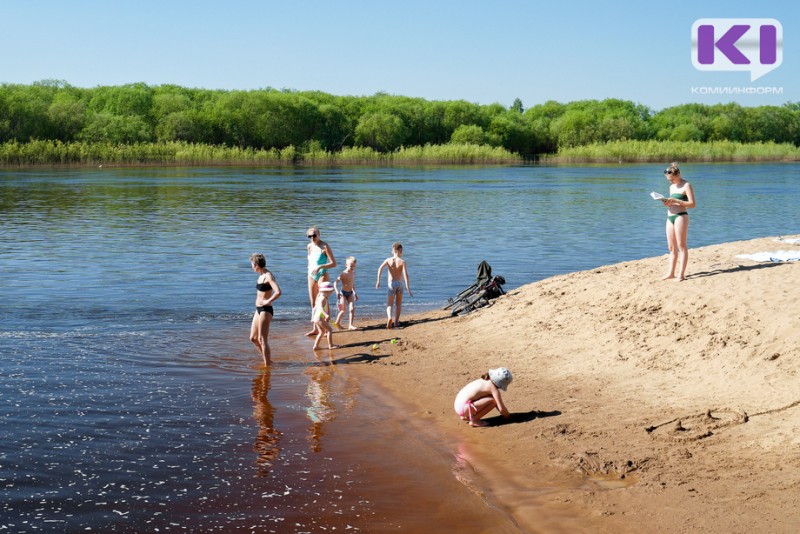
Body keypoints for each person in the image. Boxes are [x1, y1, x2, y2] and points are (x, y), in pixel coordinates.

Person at [660, 162, 696, 282]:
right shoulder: (671, 187)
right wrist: (667, 202)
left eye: (672, 179)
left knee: (681, 245)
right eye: (669, 180)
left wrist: (677, 201)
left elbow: (692, 204)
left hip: (681, 216)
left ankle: (681, 274)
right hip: (670, 217)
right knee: (671, 247)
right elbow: (673, 202)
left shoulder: (687, 185)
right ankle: (671, 273)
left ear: (678, 174)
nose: (670, 182)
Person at [250, 253, 282, 366]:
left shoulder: (268, 276)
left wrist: (268, 301)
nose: (251, 266)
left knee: (262, 339)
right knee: (253, 338)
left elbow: (278, 291)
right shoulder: (260, 275)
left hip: (266, 309)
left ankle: (267, 365)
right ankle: (267, 360)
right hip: (258, 309)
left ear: (257, 264)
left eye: (252, 264)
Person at [306, 226, 337, 336]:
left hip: (322, 274)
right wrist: (310, 270)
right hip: (311, 275)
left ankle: (326, 327)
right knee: (313, 302)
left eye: (314, 235)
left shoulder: (324, 246)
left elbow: (334, 263)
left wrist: (320, 267)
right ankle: (315, 328)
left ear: (319, 235)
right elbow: (310, 262)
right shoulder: (309, 246)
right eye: (309, 236)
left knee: (322, 301)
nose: (312, 238)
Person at [375, 242, 413, 329]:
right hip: (399, 284)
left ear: (393, 251)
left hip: (391, 284)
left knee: (389, 304)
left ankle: (389, 318)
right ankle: (396, 322)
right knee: (398, 304)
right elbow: (405, 275)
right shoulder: (402, 261)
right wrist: (408, 287)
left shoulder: (388, 260)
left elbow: (380, 268)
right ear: (400, 251)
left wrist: (378, 280)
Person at [333, 256, 358, 330]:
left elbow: (352, 284)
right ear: (346, 265)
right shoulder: (343, 273)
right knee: (343, 310)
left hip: (350, 293)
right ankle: (337, 323)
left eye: (354, 266)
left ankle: (350, 325)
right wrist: (337, 292)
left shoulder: (353, 273)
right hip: (343, 293)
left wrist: (355, 293)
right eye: (351, 266)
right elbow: (335, 283)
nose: (352, 268)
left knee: (352, 308)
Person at [311, 281, 337, 350]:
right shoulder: (322, 298)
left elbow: (314, 309)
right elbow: (320, 307)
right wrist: (325, 315)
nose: (331, 293)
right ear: (326, 291)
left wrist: (312, 318)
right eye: (330, 292)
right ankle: (330, 345)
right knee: (330, 330)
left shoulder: (320, 297)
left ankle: (316, 346)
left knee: (322, 332)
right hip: (319, 318)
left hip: (316, 318)